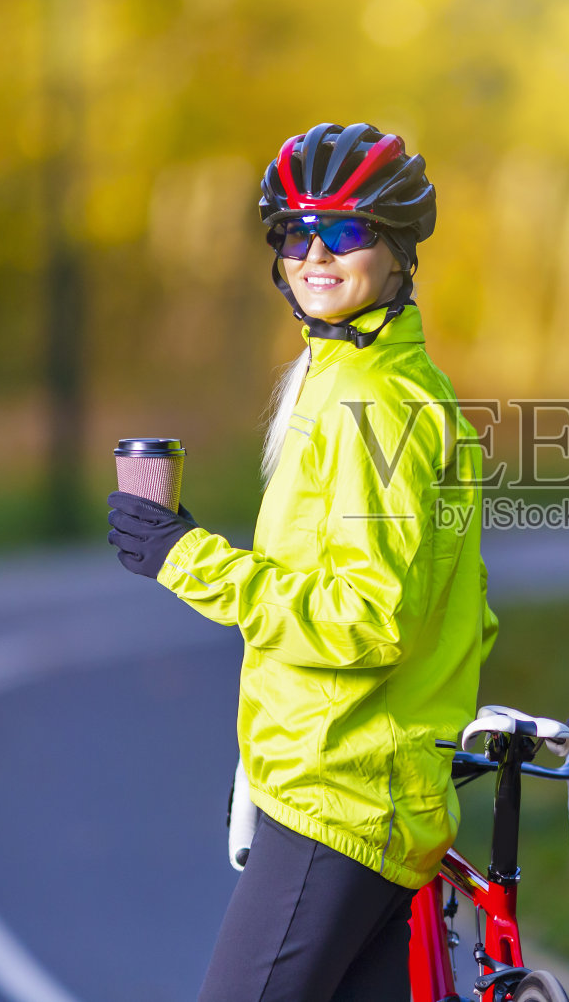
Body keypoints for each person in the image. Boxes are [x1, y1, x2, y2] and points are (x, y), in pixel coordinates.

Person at [106, 122, 497, 1002]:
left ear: (398, 250)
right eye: (293, 233)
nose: (314, 252)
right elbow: (445, 598)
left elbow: (368, 618)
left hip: (342, 799)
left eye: (346, 232)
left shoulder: (374, 401)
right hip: (360, 785)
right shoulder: (356, 372)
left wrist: (185, 556)